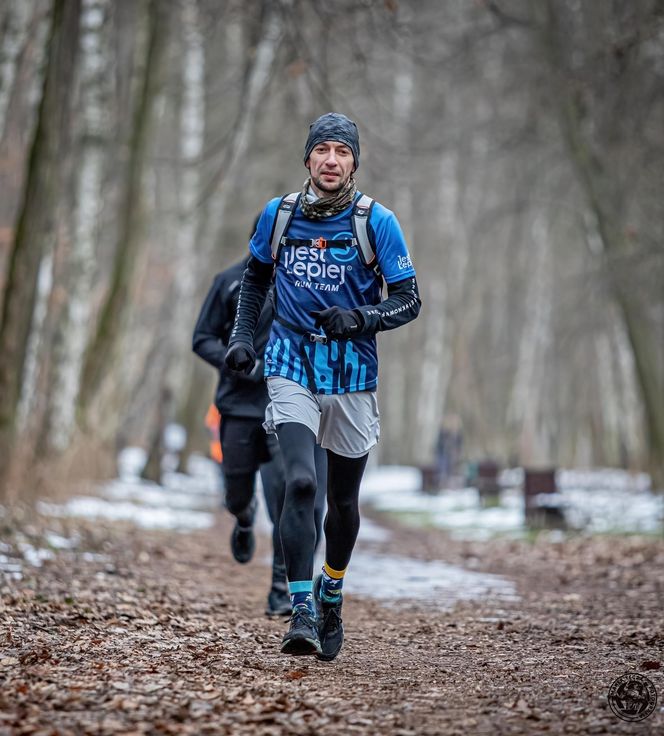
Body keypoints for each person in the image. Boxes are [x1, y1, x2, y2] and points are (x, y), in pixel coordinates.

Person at [224, 112, 421, 660]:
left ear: (354, 161)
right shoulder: (278, 214)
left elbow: (409, 300)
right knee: (300, 484)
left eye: (342, 151)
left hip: (353, 373)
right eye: (322, 150)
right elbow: (256, 276)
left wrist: (360, 318)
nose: (331, 160)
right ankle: (302, 606)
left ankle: (332, 587)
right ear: (307, 158)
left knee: (342, 500)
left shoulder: (377, 222)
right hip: (290, 361)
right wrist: (243, 338)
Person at [193, 255, 326, 616]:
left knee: (292, 493)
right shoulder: (230, 281)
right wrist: (240, 364)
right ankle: (244, 515)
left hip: (289, 406)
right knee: (237, 493)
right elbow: (202, 338)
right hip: (239, 405)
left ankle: (281, 591)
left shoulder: (308, 280)